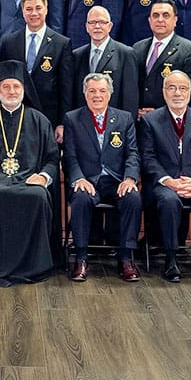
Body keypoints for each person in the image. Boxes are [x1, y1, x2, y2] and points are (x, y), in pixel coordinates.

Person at [0, 61, 59, 286]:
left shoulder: (39, 120)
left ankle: (33, 266)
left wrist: (44, 177)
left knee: (37, 196)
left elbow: (52, 158)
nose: (11, 92)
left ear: (24, 89)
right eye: (5, 87)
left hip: (28, 179)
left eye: (16, 86)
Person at [138, 70, 191, 283]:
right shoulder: (151, 121)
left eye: (182, 88)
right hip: (165, 182)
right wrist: (169, 181)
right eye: (172, 88)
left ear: (190, 92)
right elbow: (148, 158)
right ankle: (171, 257)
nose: (177, 93)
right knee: (168, 200)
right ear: (164, 92)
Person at [63, 73, 142, 283]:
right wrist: (78, 178)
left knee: (133, 198)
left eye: (102, 91)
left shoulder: (124, 118)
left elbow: (133, 153)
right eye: (92, 91)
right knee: (80, 198)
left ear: (110, 94)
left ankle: (126, 258)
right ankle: (80, 258)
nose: (97, 95)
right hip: (87, 180)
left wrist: (130, 179)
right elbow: (69, 156)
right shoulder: (72, 118)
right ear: (84, 94)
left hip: (116, 181)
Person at [0, 0, 74, 140]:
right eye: (29, 9)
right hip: (15, 116)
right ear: (23, 12)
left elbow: (66, 87)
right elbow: (1, 82)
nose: (34, 13)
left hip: (48, 116)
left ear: (46, 9)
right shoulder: (9, 42)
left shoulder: (61, 43)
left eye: (38, 8)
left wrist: (62, 123)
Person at [133, 0, 191, 114]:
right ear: (149, 20)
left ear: (175, 20)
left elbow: (188, 90)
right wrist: (135, 110)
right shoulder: (137, 48)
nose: (160, 20)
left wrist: (158, 112)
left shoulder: (188, 50)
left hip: (167, 119)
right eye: (155, 15)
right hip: (139, 118)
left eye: (166, 15)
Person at [70, 5, 138, 114]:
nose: (97, 26)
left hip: (114, 121)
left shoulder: (125, 53)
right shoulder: (77, 55)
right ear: (87, 27)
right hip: (83, 121)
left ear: (110, 26)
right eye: (92, 23)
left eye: (102, 22)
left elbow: (130, 97)